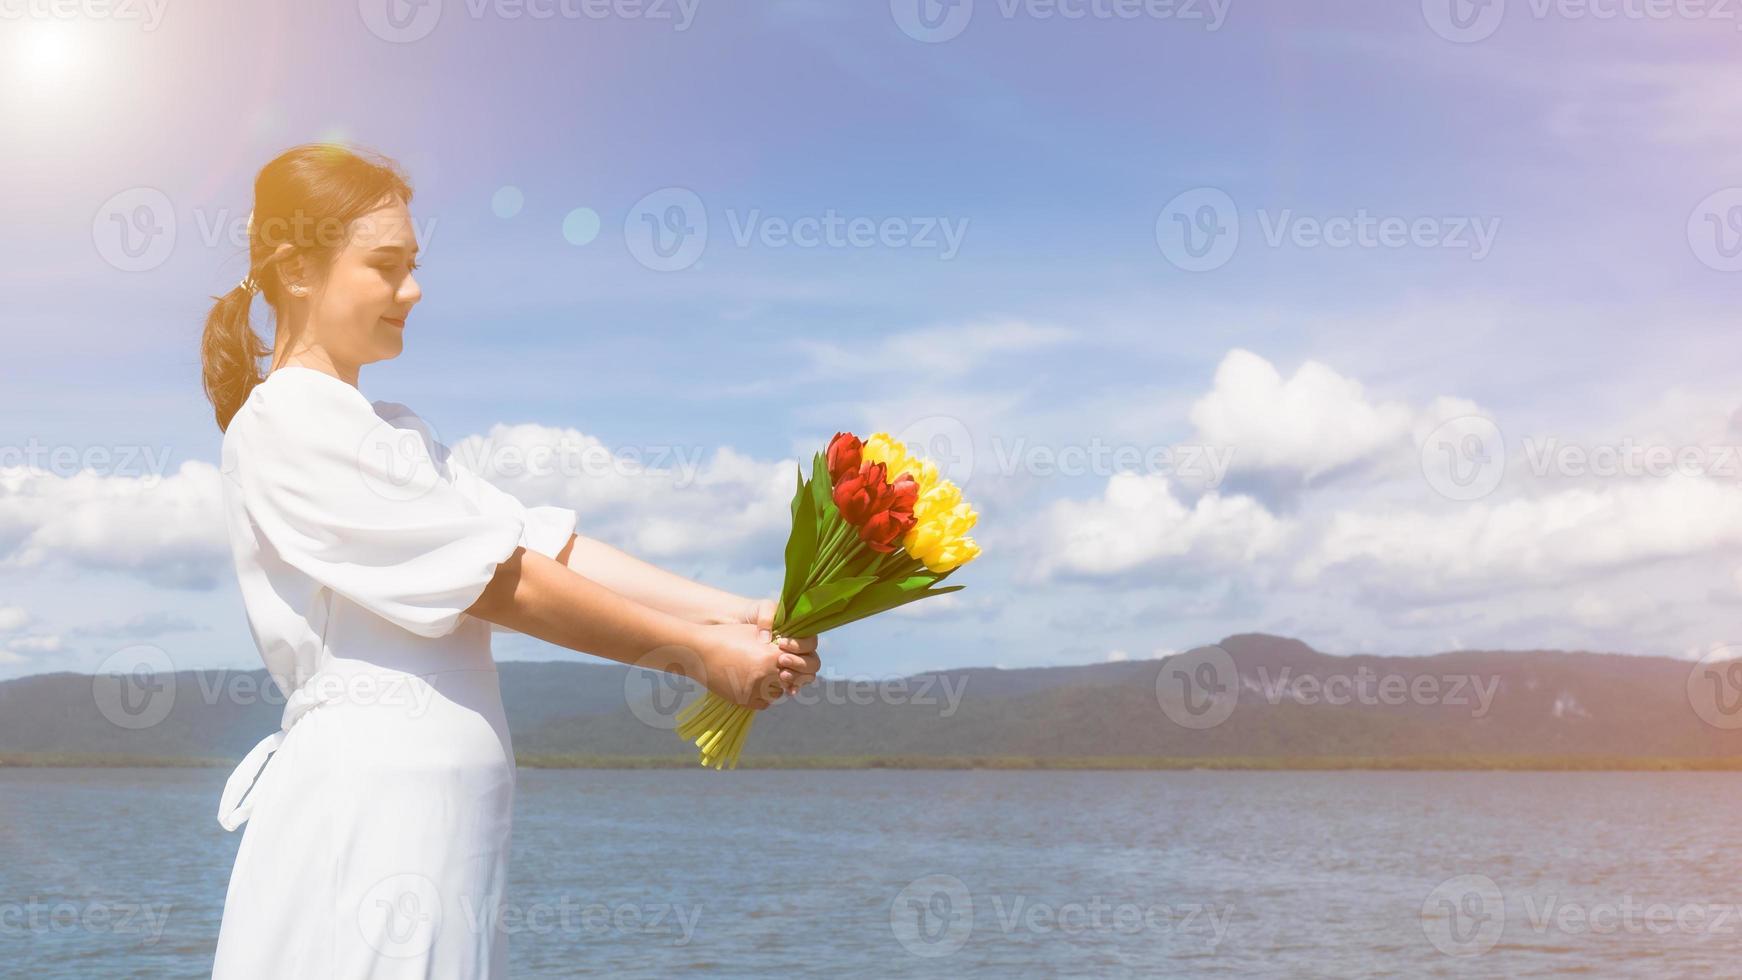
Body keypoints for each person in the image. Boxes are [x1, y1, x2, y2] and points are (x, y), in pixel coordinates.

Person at [199, 143, 820, 978]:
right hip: (370, 814)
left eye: (413, 265)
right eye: (386, 266)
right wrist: (695, 653)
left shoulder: (393, 429)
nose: (412, 290)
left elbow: (540, 542)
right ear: (297, 269)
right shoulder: (286, 423)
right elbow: (501, 581)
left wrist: (736, 613)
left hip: (430, 824)